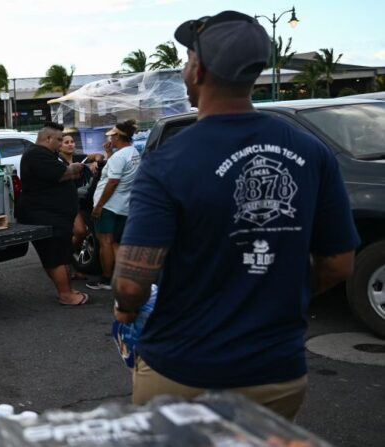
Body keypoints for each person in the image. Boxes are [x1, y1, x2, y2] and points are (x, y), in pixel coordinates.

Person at [112, 10, 359, 420]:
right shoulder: (312, 152)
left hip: (183, 372)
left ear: (198, 69)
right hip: (277, 374)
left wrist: (123, 308)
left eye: (188, 57)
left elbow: (133, 285)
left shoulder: (168, 160)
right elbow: (339, 263)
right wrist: (275, 290)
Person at [18, 122, 89, 305]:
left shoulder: (48, 155)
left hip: (53, 216)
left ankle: (67, 290)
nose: (61, 143)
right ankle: (66, 295)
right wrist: (76, 168)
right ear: (48, 138)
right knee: (55, 257)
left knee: (59, 255)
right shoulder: (37, 155)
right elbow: (64, 173)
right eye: (59, 139)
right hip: (45, 216)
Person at [86, 120, 140, 291]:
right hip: (123, 205)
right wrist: (109, 152)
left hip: (109, 206)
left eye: (111, 136)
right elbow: (116, 170)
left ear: (117, 136)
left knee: (106, 243)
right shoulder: (133, 152)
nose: (110, 138)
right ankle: (126, 276)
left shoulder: (120, 156)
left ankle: (107, 279)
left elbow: (113, 181)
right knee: (115, 242)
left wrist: (99, 206)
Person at [59, 133, 103, 280]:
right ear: (60, 145)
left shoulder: (79, 158)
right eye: (66, 142)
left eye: (72, 142)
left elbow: (98, 155)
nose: (71, 144)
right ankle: (63, 257)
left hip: (79, 200)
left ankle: (67, 259)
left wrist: (96, 161)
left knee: (80, 233)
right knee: (79, 231)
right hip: (65, 202)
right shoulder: (57, 161)